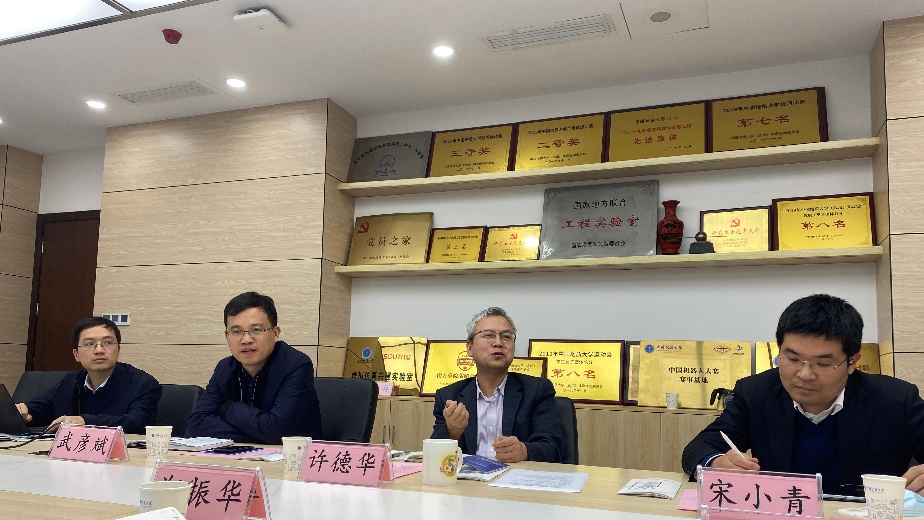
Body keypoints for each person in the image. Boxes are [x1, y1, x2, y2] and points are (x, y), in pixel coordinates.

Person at [682, 294, 924, 495]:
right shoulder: (756, 392)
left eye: (823, 363)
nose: (805, 374)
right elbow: (700, 447)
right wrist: (717, 463)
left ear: (852, 362)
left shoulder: (896, 400)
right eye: (792, 359)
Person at [431, 307, 565, 463]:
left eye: (506, 337)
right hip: (468, 478)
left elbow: (554, 447)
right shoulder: (449, 396)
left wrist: (525, 451)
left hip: (516, 476)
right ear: (470, 348)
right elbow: (434, 454)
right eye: (488, 335)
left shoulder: (536, 390)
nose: (498, 343)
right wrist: (452, 431)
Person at [186, 291, 322, 444]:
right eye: (236, 331)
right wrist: (260, 435)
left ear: (275, 333)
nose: (246, 340)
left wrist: (229, 408)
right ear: (227, 336)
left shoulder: (296, 365)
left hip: (293, 457)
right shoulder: (224, 369)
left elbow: (277, 431)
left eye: (256, 330)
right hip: (240, 455)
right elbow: (196, 425)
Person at [16, 316, 161, 434]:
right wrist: (24, 411)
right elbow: (41, 409)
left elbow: (138, 423)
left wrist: (85, 422)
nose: (99, 350)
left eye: (107, 342)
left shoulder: (142, 383)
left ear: (118, 349)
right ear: (76, 354)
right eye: (89, 344)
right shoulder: (70, 382)